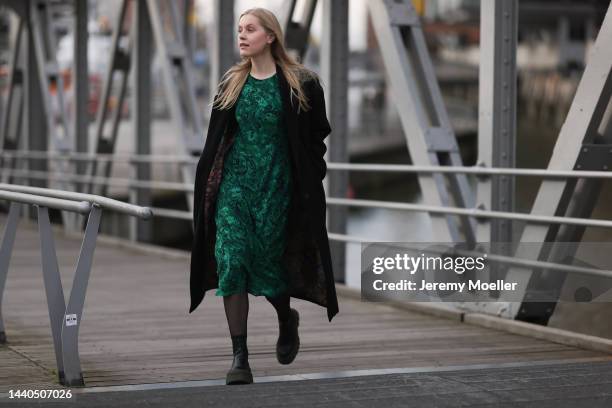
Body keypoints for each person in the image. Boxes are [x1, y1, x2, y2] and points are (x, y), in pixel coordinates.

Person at [189, 7, 339, 385]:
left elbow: (317, 135)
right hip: (234, 188)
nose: (242, 35)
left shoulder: (301, 83)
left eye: (250, 29)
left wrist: (311, 176)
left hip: (278, 188)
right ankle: (240, 356)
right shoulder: (232, 83)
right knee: (232, 260)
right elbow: (216, 139)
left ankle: (286, 318)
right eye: (239, 29)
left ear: (270, 36)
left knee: (272, 266)